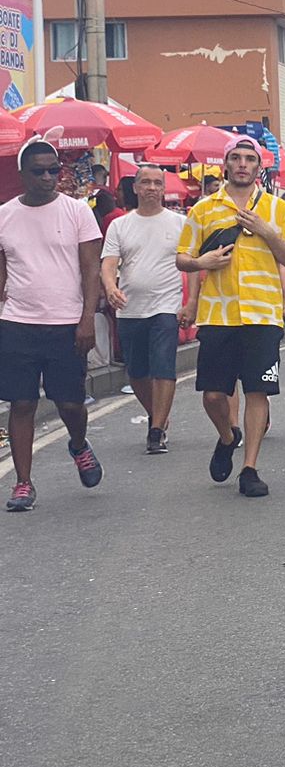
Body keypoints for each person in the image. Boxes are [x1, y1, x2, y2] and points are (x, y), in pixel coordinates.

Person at [176, 137, 285, 497]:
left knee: (257, 390)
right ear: (226, 164)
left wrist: (267, 232)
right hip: (218, 314)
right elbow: (182, 257)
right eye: (237, 158)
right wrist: (202, 264)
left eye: (250, 158)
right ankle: (228, 435)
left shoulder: (278, 210)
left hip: (263, 314)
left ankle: (249, 468)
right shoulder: (203, 209)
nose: (243, 164)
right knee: (214, 396)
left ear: (259, 167)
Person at [0, 137, 105, 511]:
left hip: (66, 324)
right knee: (22, 402)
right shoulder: (5, 215)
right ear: (22, 175)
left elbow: (91, 269)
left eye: (53, 170)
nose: (47, 177)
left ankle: (78, 444)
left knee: (70, 403)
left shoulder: (77, 211)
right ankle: (23, 483)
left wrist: (87, 319)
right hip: (16, 323)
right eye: (38, 171)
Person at [101, 163, 185, 454]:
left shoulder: (179, 223)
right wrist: (111, 288)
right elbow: (109, 263)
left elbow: (193, 264)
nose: (151, 188)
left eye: (157, 183)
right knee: (137, 373)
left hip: (166, 305)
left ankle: (157, 430)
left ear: (164, 188)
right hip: (130, 308)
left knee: (163, 367)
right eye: (145, 182)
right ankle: (157, 415)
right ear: (135, 188)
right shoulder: (120, 225)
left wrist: (192, 303)